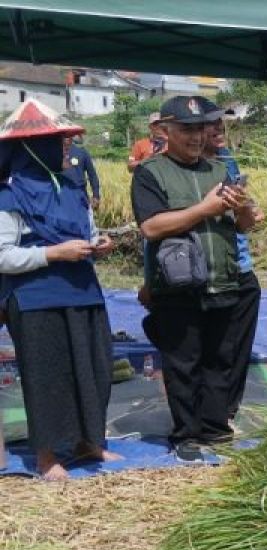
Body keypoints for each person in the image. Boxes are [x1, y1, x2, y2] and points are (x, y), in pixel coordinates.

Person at [132, 96, 261, 462]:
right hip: (178, 285)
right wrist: (205, 208)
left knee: (221, 359)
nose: (195, 136)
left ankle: (215, 427)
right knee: (182, 362)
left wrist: (246, 209)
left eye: (200, 128)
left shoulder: (218, 170)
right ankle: (186, 433)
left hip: (224, 278)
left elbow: (243, 226)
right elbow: (152, 226)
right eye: (186, 129)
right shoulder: (150, 173)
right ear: (165, 131)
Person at [0, 100, 117, 480]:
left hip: (84, 291)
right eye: (57, 140)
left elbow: (86, 230)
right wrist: (54, 253)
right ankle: (47, 455)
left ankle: (89, 442)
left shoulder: (72, 186)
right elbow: (4, 257)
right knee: (47, 376)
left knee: (93, 369)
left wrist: (98, 243)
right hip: (36, 298)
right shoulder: (9, 195)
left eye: (66, 139)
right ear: (32, 147)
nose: (67, 146)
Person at [198, 98, 263, 423]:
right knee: (214, 349)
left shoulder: (229, 162)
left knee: (238, 349)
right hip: (206, 273)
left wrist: (248, 210)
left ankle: (227, 410)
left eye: (220, 124)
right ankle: (207, 413)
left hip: (241, 266)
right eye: (211, 125)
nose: (218, 130)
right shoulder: (184, 170)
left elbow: (244, 222)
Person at [63, 135, 101, 209]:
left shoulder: (82, 152)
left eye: (68, 134)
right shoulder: (55, 154)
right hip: (61, 195)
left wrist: (96, 195)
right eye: (64, 134)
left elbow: (92, 175)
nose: (66, 137)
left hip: (80, 194)